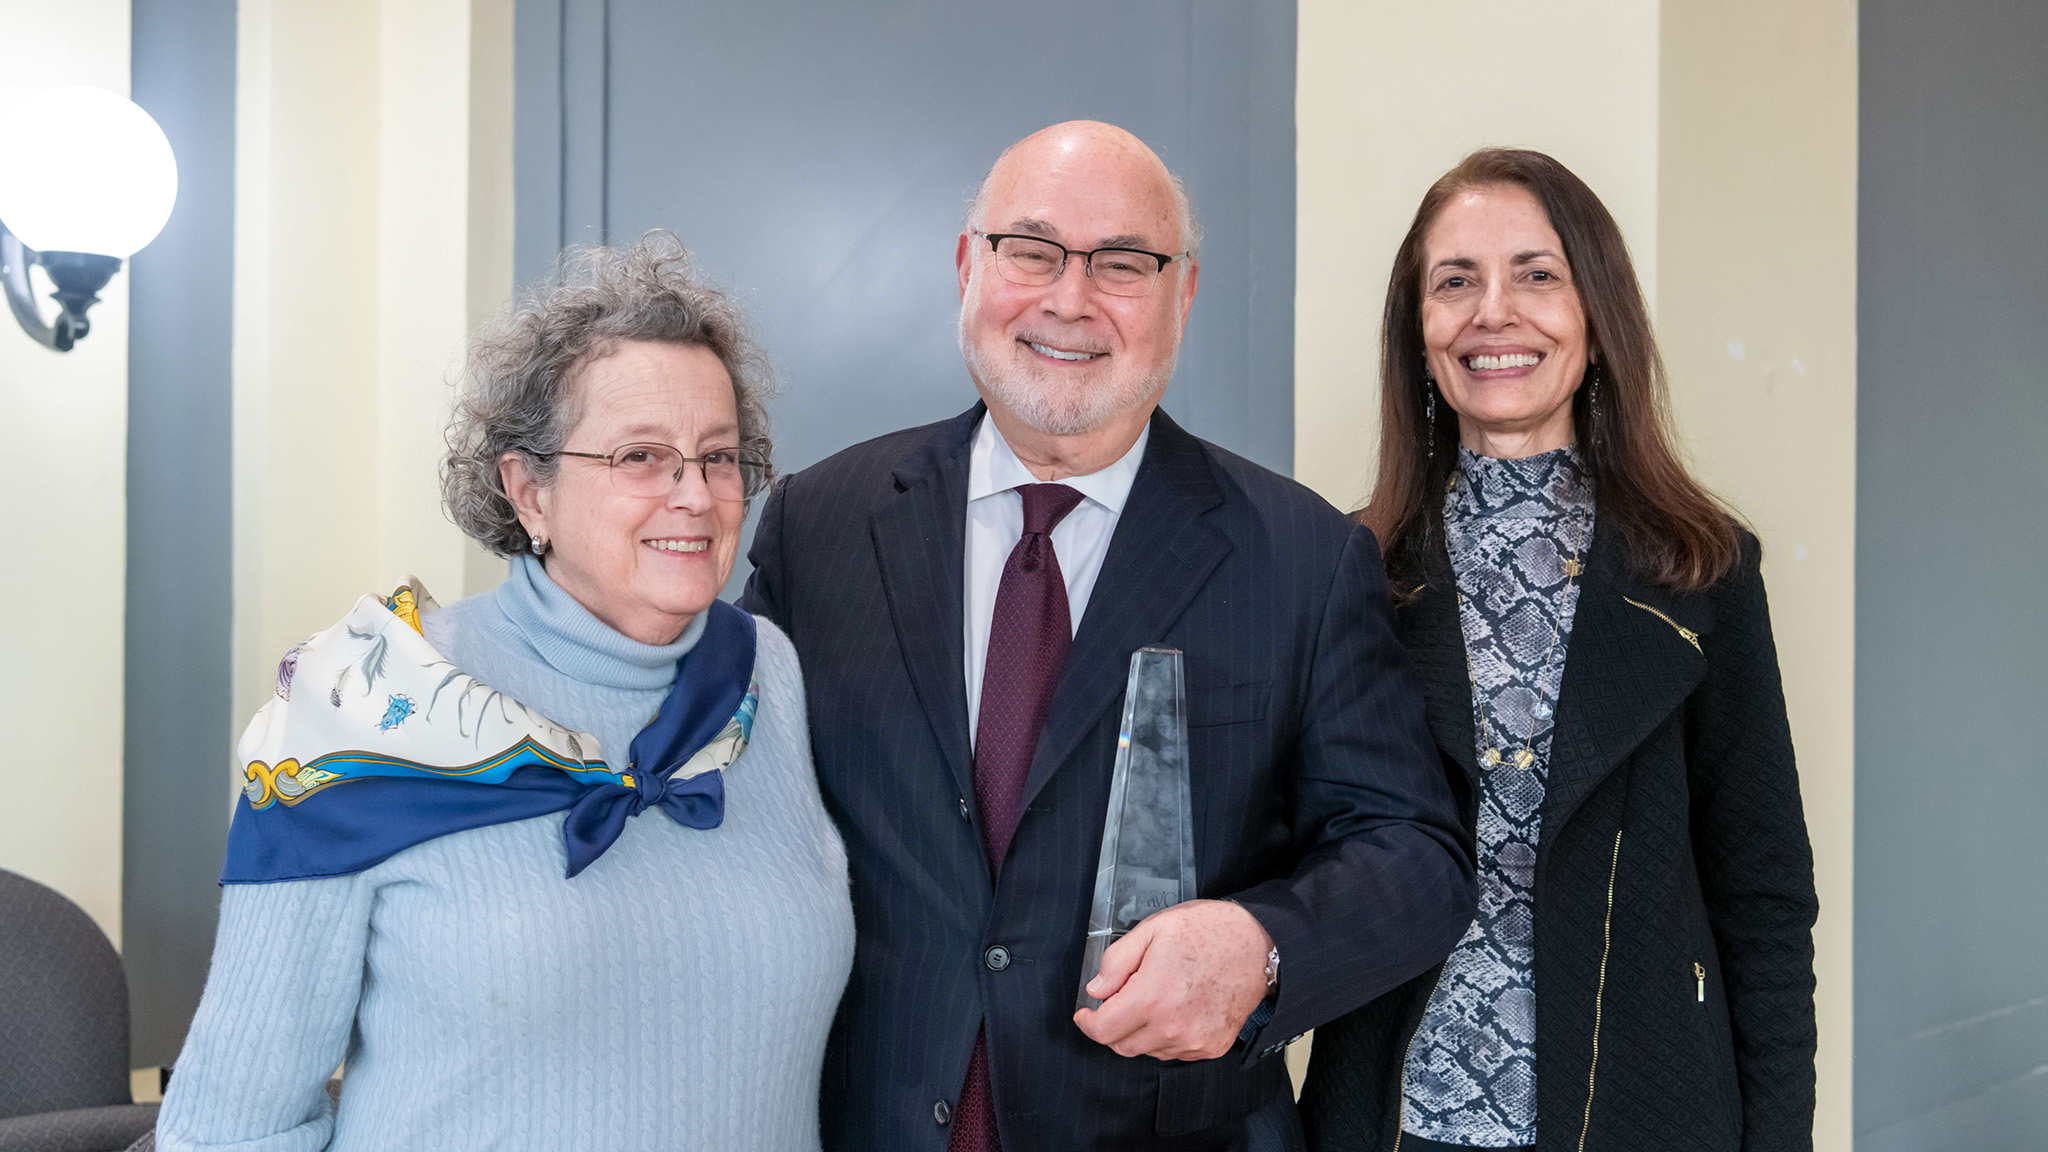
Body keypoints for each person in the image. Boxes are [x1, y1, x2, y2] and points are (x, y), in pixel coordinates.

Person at [737, 120, 1476, 1152]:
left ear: (1184, 295)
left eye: (1123, 263)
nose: (1069, 299)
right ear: (966, 266)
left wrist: (1261, 949)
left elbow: (1413, 856)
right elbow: (734, 817)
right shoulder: (819, 525)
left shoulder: (1301, 557)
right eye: (1030, 251)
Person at [156, 234, 855, 1152]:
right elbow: (231, 1129)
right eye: (641, 456)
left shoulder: (773, 676)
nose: (696, 496)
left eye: (718, 457)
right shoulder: (364, 702)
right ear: (529, 491)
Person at [1297, 149, 1819, 1152]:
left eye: (1536, 274)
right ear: (1417, 328)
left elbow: (1761, 898)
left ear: (1596, 314)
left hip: (1643, 1113)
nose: (1493, 312)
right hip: (1397, 1121)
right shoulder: (1342, 571)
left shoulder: (1701, 570)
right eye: (1454, 282)